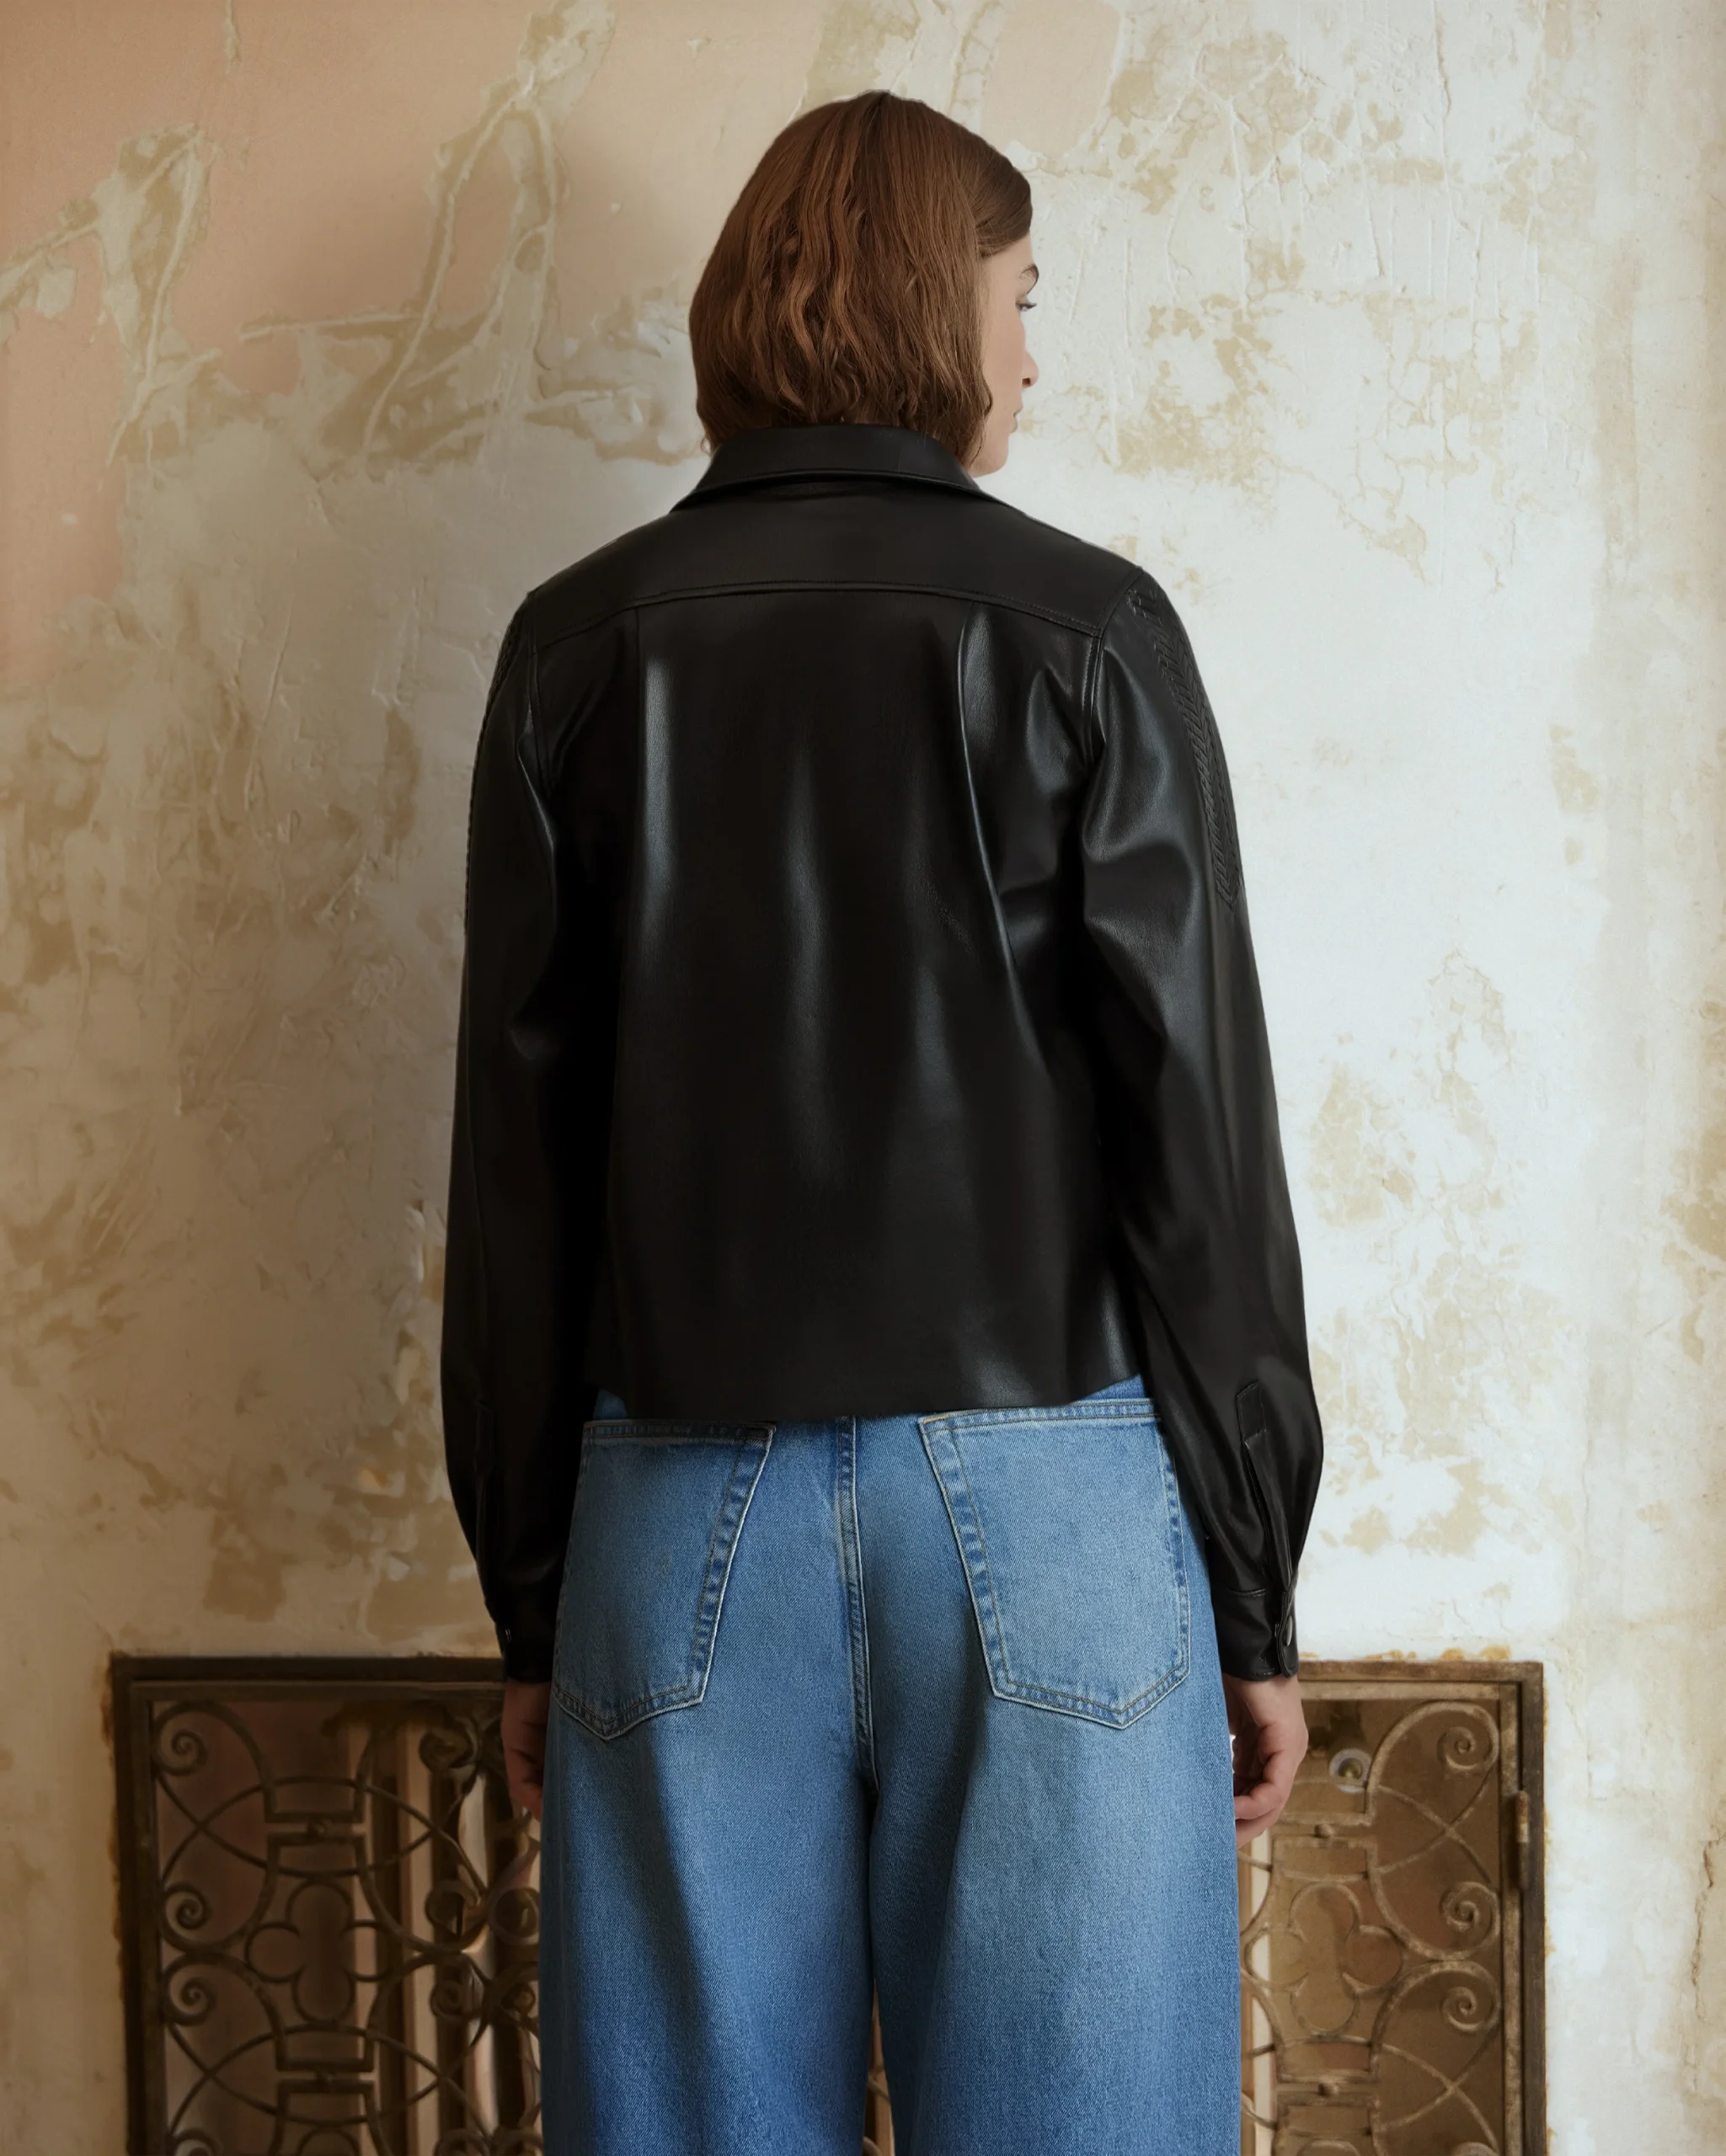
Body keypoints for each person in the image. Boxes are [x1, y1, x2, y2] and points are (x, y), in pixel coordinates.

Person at [441, 88, 1323, 2156]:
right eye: (1023, 299)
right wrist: (1255, 1581)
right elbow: (1195, 1147)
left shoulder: (578, 647)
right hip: (1049, 1491)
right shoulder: (1090, 629)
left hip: (675, 1508)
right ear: (938, 310)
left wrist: (535, 1594)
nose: (1032, 355)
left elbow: (517, 1174)